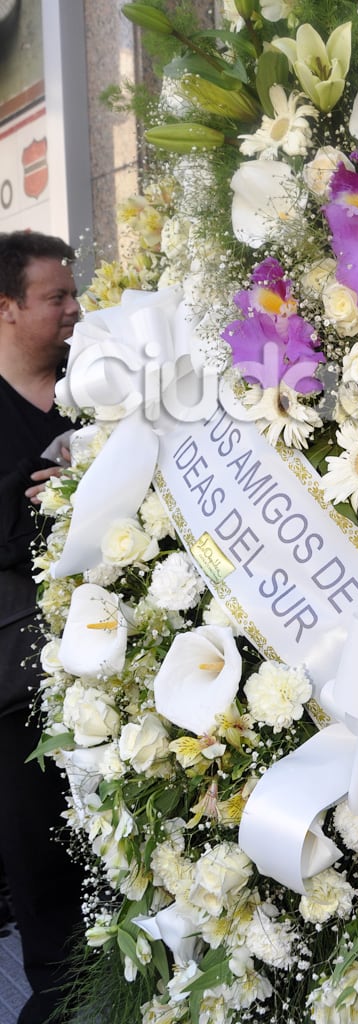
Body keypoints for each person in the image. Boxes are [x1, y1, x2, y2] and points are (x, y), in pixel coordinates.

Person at [0, 231, 84, 1024]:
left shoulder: (94, 383)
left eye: (72, 293)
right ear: (7, 306)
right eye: (55, 297)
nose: (72, 308)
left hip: (113, 661)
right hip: (20, 677)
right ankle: (59, 1004)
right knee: (40, 856)